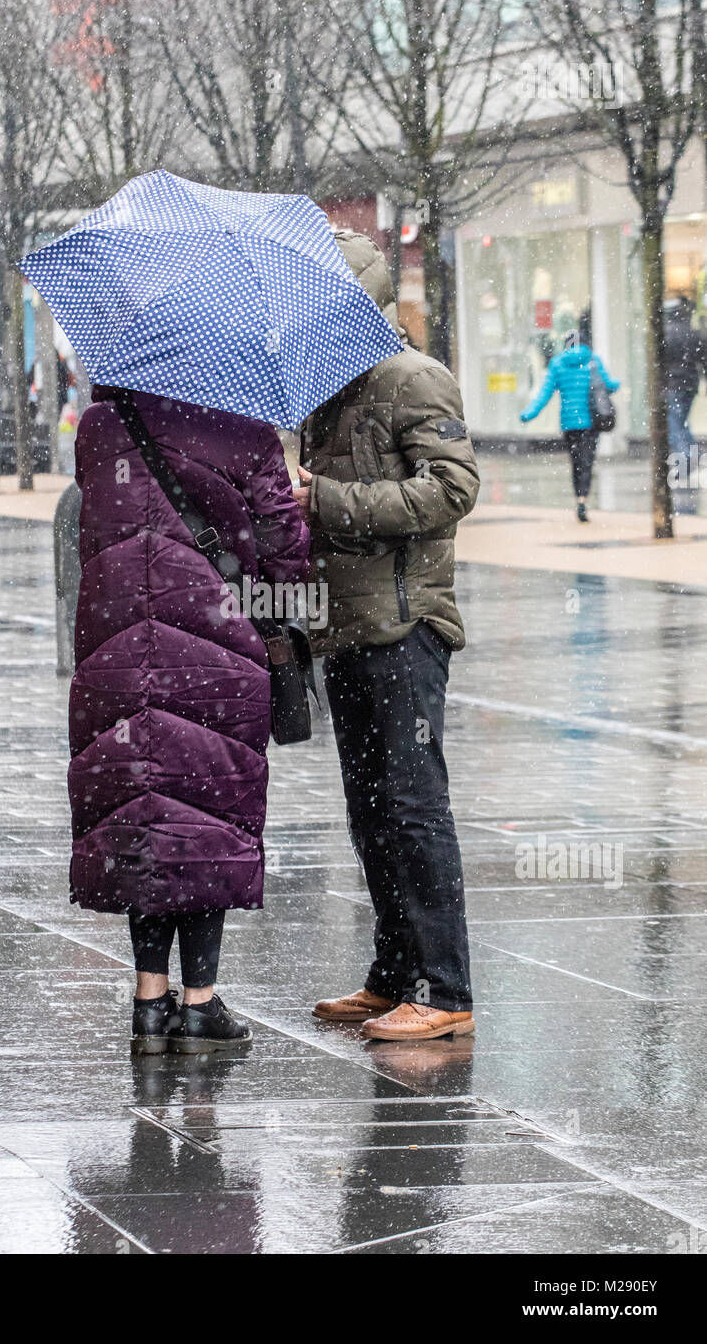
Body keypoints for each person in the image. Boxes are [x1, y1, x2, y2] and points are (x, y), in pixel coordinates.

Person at [69, 385, 309, 1055]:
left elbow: (94, 523)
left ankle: (150, 1000)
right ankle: (201, 1002)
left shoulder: (98, 427)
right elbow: (282, 549)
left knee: (142, 809)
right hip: (217, 646)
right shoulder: (242, 422)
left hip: (114, 644)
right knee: (205, 815)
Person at [294, 229, 479, 1043]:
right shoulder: (326, 392)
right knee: (368, 813)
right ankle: (392, 975)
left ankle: (447, 991)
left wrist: (327, 499)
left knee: (413, 807)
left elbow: (451, 489)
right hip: (346, 628)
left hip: (406, 627)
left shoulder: (414, 378)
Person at [519, 328, 620, 522]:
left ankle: (578, 500)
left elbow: (544, 394)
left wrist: (528, 414)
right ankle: (584, 498)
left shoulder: (557, 364)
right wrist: (618, 384)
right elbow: (609, 384)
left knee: (576, 462)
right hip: (591, 422)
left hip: (570, 423)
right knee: (587, 461)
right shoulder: (592, 360)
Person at [663, 296, 705, 513]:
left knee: (675, 423)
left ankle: (686, 459)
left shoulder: (664, 333)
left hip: (672, 384)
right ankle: (689, 456)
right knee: (681, 421)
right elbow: (703, 356)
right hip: (690, 383)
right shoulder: (691, 332)